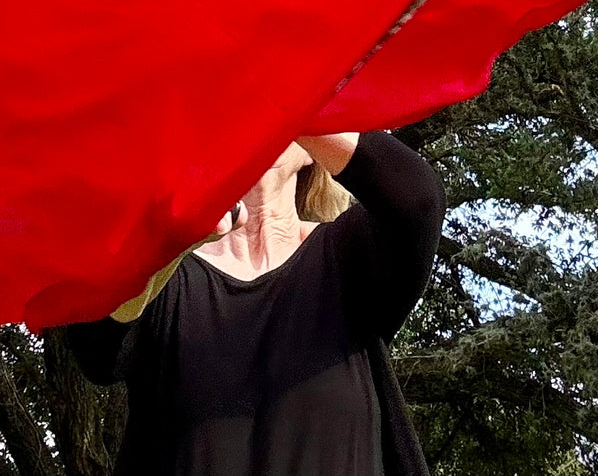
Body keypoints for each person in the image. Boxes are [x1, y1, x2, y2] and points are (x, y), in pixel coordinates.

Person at [65, 131, 446, 476]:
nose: (260, 129)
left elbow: (418, 200)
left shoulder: (351, 256)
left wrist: (287, 100)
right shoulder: (164, 277)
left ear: (314, 154)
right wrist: (169, 247)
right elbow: (96, 345)